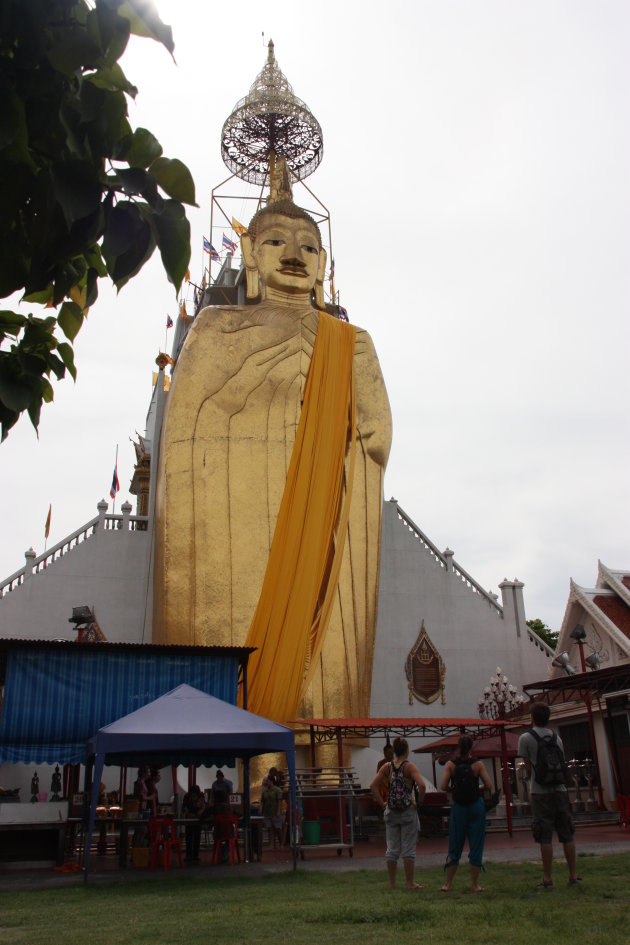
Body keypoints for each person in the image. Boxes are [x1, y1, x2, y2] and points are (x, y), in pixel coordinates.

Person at [154, 161, 392, 734]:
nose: (294, 255)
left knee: (328, 639)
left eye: (310, 247)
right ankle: (255, 756)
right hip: (241, 525)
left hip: (324, 525)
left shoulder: (350, 343)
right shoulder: (214, 329)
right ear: (251, 256)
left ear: (323, 265)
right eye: (277, 243)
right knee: (246, 633)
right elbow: (184, 435)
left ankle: (330, 751)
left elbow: (376, 437)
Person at [518, 702, 580, 889]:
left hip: (540, 791)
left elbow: (527, 766)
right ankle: (573, 876)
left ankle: (547, 878)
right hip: (560, 790)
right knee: (567, 833)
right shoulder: (556, 738)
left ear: (532, 718)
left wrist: (530, 778)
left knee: (545, 835)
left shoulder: (526, 738)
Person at [370, 736, 426, 890]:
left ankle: (392, 883)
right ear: (406, 751)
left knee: (392, 848)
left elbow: (373, 785)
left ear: (394, 751)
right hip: (408, 810)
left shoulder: (387, 767)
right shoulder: (409, 767)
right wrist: (419, 802)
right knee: (408, 849)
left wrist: (382, 804)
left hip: (391, 810)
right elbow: (422, 785)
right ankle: (409, 883)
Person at [440, 734, 493, 893]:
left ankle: (448, 884)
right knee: (476, 843)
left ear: (458, 747)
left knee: (455, 843)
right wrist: (478, 788)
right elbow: (489, 785)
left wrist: (454, 789)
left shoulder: (451, 764)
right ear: (471, 748)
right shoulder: (477, 764)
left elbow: (443, 786)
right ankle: (475, 885)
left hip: (459, 807)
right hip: (476, 805)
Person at [182, 784, 208, 862]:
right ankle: (189, 855)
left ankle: (194, 855)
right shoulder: (187, 797)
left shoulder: (201, 797)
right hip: (192, 819)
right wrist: (195, 815)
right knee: (189, 837)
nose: (193, 796)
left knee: (196, 837)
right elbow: (185, 810)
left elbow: (202, 809)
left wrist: (195, 815)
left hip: (195, 819)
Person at [261, 772, 283, 848]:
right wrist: (261, 808)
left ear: (271, 781)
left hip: (275, 811)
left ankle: (281, 843)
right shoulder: (265, 791)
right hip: (267, 812)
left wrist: (279, 811)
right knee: (269, 829)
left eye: (267, 781)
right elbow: (262, 801)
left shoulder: (278, 790)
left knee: (278, 828)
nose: (266, 782)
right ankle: (271, 844)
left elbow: (279, 801)